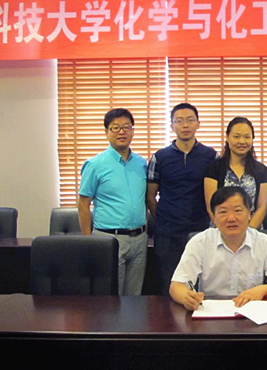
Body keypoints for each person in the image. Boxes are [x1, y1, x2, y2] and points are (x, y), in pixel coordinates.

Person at [170, 186, 267, 310]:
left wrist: (263, 290)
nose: (231, 218)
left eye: (237, 211)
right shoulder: (199, 242)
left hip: (252, 312)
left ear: (249, 214)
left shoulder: (265, 243)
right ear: (214, 217)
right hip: (210, 312)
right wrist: (187, 298)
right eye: (223, 212)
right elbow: (177, 285)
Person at [147, 102, 218, 295]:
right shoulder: (160, 157)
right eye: (179, 121)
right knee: (168, 284)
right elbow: (150, 196)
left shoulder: (211, 156)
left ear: (198, 124)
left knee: (200, 285)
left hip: (201, 230)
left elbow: (216, 195)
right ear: (172, 126)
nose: (185, 125)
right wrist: (164, 218)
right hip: (168, 233)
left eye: (190, 120)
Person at [77, 108, 148, 295]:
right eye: (115, 128)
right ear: (106, 132)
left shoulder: (142, 164)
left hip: (140, 239)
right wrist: (88, 241)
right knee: (111, 298)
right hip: (109, 238)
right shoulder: (95, 165)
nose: (121, 132)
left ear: (133, 131)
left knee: (134, 296)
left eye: (126, 127)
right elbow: (83, 204)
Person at [204, 117, 267, 229]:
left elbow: (262, 208)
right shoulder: (214, 168)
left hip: (252, 232)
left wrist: (247, 233)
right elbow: (211, 206)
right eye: (236, 136)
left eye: (247, 137)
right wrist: (226, 231)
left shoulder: (261, 170)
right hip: (220, 231)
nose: (242, 141)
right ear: (227, 137)